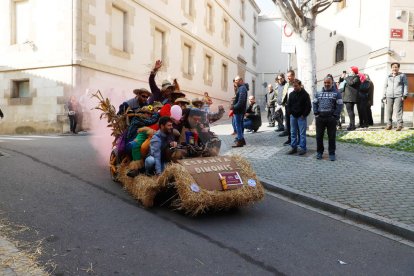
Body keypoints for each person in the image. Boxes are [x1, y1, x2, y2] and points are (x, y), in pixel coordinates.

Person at [313, 77, 344, 161]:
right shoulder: (318, 93)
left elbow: (340, 105)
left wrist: (335, 116)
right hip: (320, 118)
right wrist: (316, 113)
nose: (326, 84)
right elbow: (314, 103)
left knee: (332, 137)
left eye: (328, 83)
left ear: (332, 83)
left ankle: (332, 153)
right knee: (319, 137)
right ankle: (319, 152)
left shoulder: (337, 93)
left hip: (331, 119)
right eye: (325, 83)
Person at [287, 79, 311, 155]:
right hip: (293, 116)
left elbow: (308, 106)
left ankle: (303, 148)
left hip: (301, 117)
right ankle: (294, 147)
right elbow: (288, 105)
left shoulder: (305, 94)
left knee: (302, 134)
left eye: (296, 86)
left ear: (300, 85)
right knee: (293, 132)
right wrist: (290, 113)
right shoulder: (291, 94)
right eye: (294, 86)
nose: (294, 87)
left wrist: (304, 115)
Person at [383, 62, 409, 131]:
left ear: (398, 68)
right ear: (391, 68)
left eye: (396, 67)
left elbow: (405, 85)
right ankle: (389, 125)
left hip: (399, 95)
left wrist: (404, 95)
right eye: (393, 67)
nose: (394, 68)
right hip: (389, 95)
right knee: (389, 111)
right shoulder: (388, 76)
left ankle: (399, 125)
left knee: (398, 111)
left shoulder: (402, 76)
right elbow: (385, 86)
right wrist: (384, 96)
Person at [340, 66, 360, 131]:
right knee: (350, 111)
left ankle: (352, 125)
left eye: (350, 70)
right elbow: (341, 82)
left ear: (354, 71)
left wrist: (346, 77)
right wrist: (342, 77)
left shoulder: (356, 77)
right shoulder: (348, 77)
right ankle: (351, 124)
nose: (349, 71)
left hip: (350, 96)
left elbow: (351, 83)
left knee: (350, 111)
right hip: (347, 96)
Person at [279, 70, 296, 145]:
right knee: (288, 124)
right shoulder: (286, 85)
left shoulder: (297, 83)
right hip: (287, 106)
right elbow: (284, 94)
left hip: (295, 107)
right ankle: (290, 139)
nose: (288, 78)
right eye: (287, 76)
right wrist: (283, 103)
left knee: (295, 125)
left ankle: (295, 140)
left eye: (289, 76)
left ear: (293, 76)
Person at [232, 75, 248, 147]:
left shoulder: (242, 88)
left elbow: (241, 101)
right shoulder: (241, 88)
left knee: (238, 125)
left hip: (238, 110)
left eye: (236, 81)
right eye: (235, 81)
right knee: (240, 125)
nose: (235, 82)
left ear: (241, 81)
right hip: (239, 110)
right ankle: (242, 140)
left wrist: (233, 107)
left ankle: (240, 140)